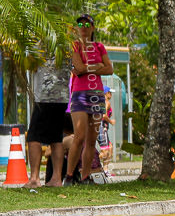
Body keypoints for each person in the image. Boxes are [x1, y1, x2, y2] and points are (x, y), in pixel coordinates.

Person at [65, 14, 113, 185]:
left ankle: (86, 177)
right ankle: (69, 176)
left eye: (87, 24)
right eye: (80, 24)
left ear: (92, 27)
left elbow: (110, 69)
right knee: (79, 136)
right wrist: (97, 66)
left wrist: (88, 69)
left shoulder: (99, 47)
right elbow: (78, 67)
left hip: (97, 96)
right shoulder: (75, 46)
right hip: (79, 95)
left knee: (92, 140)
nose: (83, 26)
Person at [25, 55, 73, 187]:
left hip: (45, 94)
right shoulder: (67, 42)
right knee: (56, 137)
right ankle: (56, 178)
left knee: (33, 136)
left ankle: (34, 178)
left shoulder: (40, 41)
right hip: (62, 95)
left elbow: (30, 64)